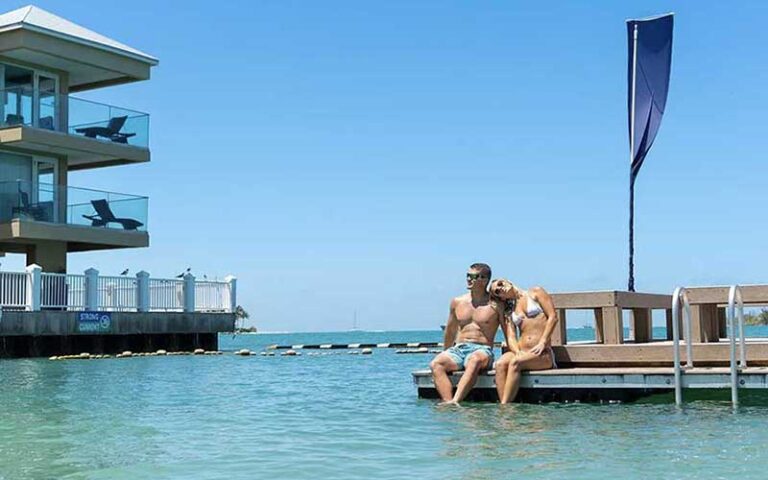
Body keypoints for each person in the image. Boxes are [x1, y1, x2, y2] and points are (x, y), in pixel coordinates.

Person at [429, 263, 504, 405]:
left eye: (473, 276)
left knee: (474, 360)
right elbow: (450, 330)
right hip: (458, 349)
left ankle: (457, 400)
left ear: (484, 279)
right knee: (436, 363)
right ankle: (448, 402)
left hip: (482, 350)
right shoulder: (457, 302)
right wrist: (445, 352)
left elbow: (508, 331)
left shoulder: (495, 304)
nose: (469, 279)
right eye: (467, 276)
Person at [490, 278, 558, 404]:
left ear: (507, 281)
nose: (501, 288)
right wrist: (517, 351)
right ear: (501, 298)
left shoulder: (535, 292)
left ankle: (504, 407)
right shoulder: (509, 310)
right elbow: (511, 336)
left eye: (500, 284)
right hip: (521, 351)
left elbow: (553, 317)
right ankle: (505, 404)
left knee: (515, 362)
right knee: (500, 364)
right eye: (497, 292)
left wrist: (543, 342)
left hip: (541, 353)